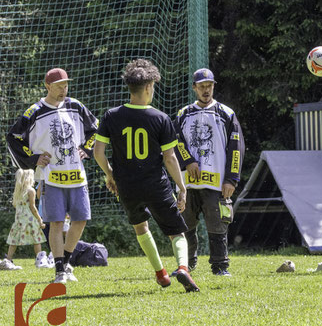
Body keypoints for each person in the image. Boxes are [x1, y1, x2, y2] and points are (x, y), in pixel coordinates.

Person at [92, 58, 199, 292]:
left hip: (126, 185)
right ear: (149, 87)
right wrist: (182, 187)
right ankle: (182, 268)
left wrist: (110, 175)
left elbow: (98, 152)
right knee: (176, 232)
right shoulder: (160, 118)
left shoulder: (111, 116)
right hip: (155, 184)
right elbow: (170, 158)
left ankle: (160, 273)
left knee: (141, 227)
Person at [6, 67, 97, 283]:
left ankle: (65, 262)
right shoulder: (34, 111)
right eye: (59, 86)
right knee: (56, 222)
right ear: (48, 86)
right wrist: (33, 157)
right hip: (51, 177)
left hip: (77, 175)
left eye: (66, 85)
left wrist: (87, 148)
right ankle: (59, 271)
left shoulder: (76, 106)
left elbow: (95, 129)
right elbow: (13, 137)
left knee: (80, 219)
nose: (63, 89)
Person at [174, 68, 244, 276]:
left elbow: (236, 148)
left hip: (216, 182)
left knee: (217, 225)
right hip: (188, 182)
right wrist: (187, 161)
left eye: (209, 86)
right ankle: (187, 264)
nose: (206, 90)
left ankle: (220, 266)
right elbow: (175, 142)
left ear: (214, 86)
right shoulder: (183, 114)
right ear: (194, 88)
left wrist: (231, 179)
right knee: (185, 224)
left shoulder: (226, 113)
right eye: (202, 86)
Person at [1, 169, 51, 270]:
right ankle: (39, 260)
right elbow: (32, 207)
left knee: (14, 240)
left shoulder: (18, 191)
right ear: (29, 178)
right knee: (37, 240)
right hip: (30, 219)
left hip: (19, 220)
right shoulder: (30, 191)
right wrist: (39, 219)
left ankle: (8, 259)